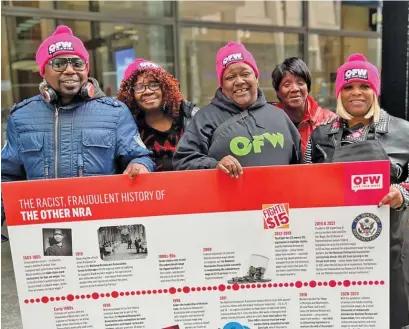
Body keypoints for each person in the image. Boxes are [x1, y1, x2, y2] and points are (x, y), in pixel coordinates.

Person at [304, 53, 409, 329]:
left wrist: (401, 193)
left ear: (374, 90)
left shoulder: (403, 131)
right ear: (339, 93)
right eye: (348, 87)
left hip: (390, 248)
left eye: (364, 86)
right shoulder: (319, 136)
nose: (356, 93)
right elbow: (303, 183)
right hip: (335, 248)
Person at [173, 42, 301, 176]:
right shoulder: (204, 118)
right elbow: (183, 161)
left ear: (256, 78)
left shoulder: (280, 117)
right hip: (225, 197)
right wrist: (214, 165)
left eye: (245, 74)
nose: (239, 81)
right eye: (230, 77)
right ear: (222, 85)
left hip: (278, 197)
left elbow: (300, 166)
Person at [117, 59, 199, 171]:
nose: (148, 91)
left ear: (165, 88)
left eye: (154, 85)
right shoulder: (128, 128)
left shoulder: (189, 117)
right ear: (130, 94)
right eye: (139, 87)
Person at [271, 57, 337, 155]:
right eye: (287, 84)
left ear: (308, 88)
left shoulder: (328, 120)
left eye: (300, 83)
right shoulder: (269, 122)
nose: (295, 89)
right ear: (278, 91)